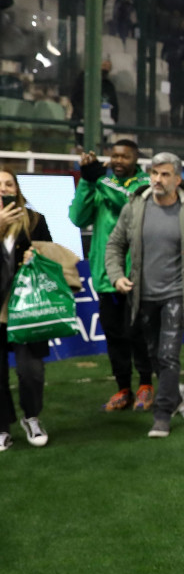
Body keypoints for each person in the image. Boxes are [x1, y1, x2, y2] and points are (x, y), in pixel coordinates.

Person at [104, 153, 184, 438]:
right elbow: (115, 245)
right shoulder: (134, 208)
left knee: (168, 355)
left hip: (176, 295)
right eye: (154, 173)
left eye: (165, 174)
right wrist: (117, 275)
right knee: (154, 353)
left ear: (178, 179)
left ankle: (163, 414)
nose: (158, 179)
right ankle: (173, 397)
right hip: (142, 296)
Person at [70, 140, 154, 411]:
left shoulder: (144, 183)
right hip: (105, 275)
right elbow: (78, 218)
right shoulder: (100, 183)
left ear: (135, 159)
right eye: (115, 156)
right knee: (114, 335)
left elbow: (128, 203)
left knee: (137, 332)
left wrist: (99, 179)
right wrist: (87, 181)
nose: (118, 161)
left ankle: (146, 384)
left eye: (124, 157)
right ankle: (123, 388)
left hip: (135, 274)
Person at [0, 172, 62, 449]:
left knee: (31, 371)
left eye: (8, 184)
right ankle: (2, 427)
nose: (3, 189)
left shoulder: (35, 220)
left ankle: (32, 417)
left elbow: (51, 255)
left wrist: (36, 255)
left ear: (17, 190)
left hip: (28, 306)